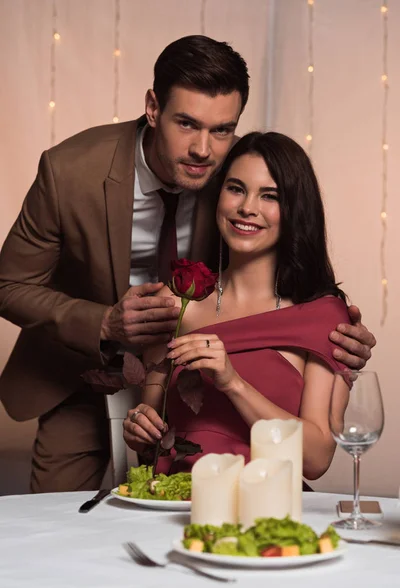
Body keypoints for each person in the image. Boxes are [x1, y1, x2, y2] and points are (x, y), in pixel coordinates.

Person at [0, 36, 374, 493]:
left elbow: (284, 249)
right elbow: (8, 283)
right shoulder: (70, 171)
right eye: (186, 124)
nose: (203, 149)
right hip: (81, 365)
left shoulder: (235, 169)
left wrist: (329, 339)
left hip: (195, 376)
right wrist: (106, 323)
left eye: (222, 130)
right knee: (56, 522)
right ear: (153, 107)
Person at [123, 131, 355, 481]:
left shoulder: (322, 317)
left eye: (270, 196)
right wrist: (140, 427)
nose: (248, 207)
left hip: (265, 507)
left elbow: (317, 459)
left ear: (295, 210)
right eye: (236, 188)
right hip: (171, 505)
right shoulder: (176, 304)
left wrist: (233, 383)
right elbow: (153, 436)